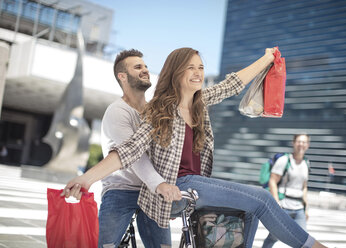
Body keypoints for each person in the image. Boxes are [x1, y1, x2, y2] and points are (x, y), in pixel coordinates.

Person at [62, 47, 328, 248]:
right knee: (262, 199)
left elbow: (231, 85)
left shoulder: (199, 102)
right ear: (176, 72)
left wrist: (267, 58)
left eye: (201, 67)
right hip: (177, 187)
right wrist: (86, 179)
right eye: (191, 67)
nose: (198, 72)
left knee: (249, 210)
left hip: (194, 186)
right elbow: (129, 151)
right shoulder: (160, 109)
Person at [98, 49, 181, 248]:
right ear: (122, 76)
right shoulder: (117, 111)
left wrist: (165, 191)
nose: (145, 70)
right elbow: (135, 157)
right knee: (103, 245)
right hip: (121, 190)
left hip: (152, 193)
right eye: (138, 67)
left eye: (144, 66)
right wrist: (160, 185)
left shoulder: (156, 111)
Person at [262, 134, 311, 248]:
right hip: (284, 206)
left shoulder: (306, 163)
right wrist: (277, 202)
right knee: (274, 237)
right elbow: (272, 181)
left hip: (299, 208)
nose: (301, 144)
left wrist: (306, 208)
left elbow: (304, 187)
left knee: (304, 239)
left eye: (304, 142)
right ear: (293, 143)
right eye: (299, 141)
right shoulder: (284, 160)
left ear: (308, 145)